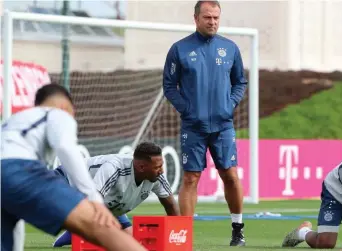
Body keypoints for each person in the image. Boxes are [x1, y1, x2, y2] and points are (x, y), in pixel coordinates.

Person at [1, 83, 147, 251]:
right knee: (101, 225)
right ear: (65, 106)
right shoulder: (57, 114)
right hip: (19, 169)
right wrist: (93, 198)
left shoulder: (12, 121)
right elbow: (65, 148)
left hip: (8, 179)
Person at [162, 0, 247, 246]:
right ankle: (184, 234)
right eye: (208, 17)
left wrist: (228, 105)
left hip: (223, 126)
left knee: (230, 175)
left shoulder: (230, 48)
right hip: (193, 126)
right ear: (196, 18)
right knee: (190, 178)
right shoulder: (179, 49)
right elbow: (169, 85)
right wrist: (187, 109)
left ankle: (237, 229)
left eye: (216, 18)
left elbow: (240, 81)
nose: (212, 22)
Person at [52, 142, 180, 247]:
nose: (162, 170)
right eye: (157, 167)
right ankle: (75, 228)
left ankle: (75, 232)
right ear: (141, 167)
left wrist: (178, 237)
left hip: (106, 203)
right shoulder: (114, 168)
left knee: (128, 239)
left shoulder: (157, 177)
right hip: (67, 180)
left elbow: (171, 205)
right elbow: (92, 200)